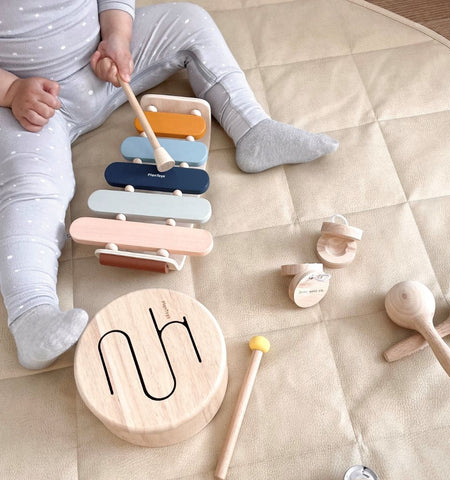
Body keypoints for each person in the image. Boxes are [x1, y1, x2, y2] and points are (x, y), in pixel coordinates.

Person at [0, 1, 338, 370]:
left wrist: (117, 34)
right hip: (30, 106)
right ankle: (31, 311)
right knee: (31, 186)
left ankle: (252, 127)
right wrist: (12, 90)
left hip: (103, 61)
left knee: (189, 22)